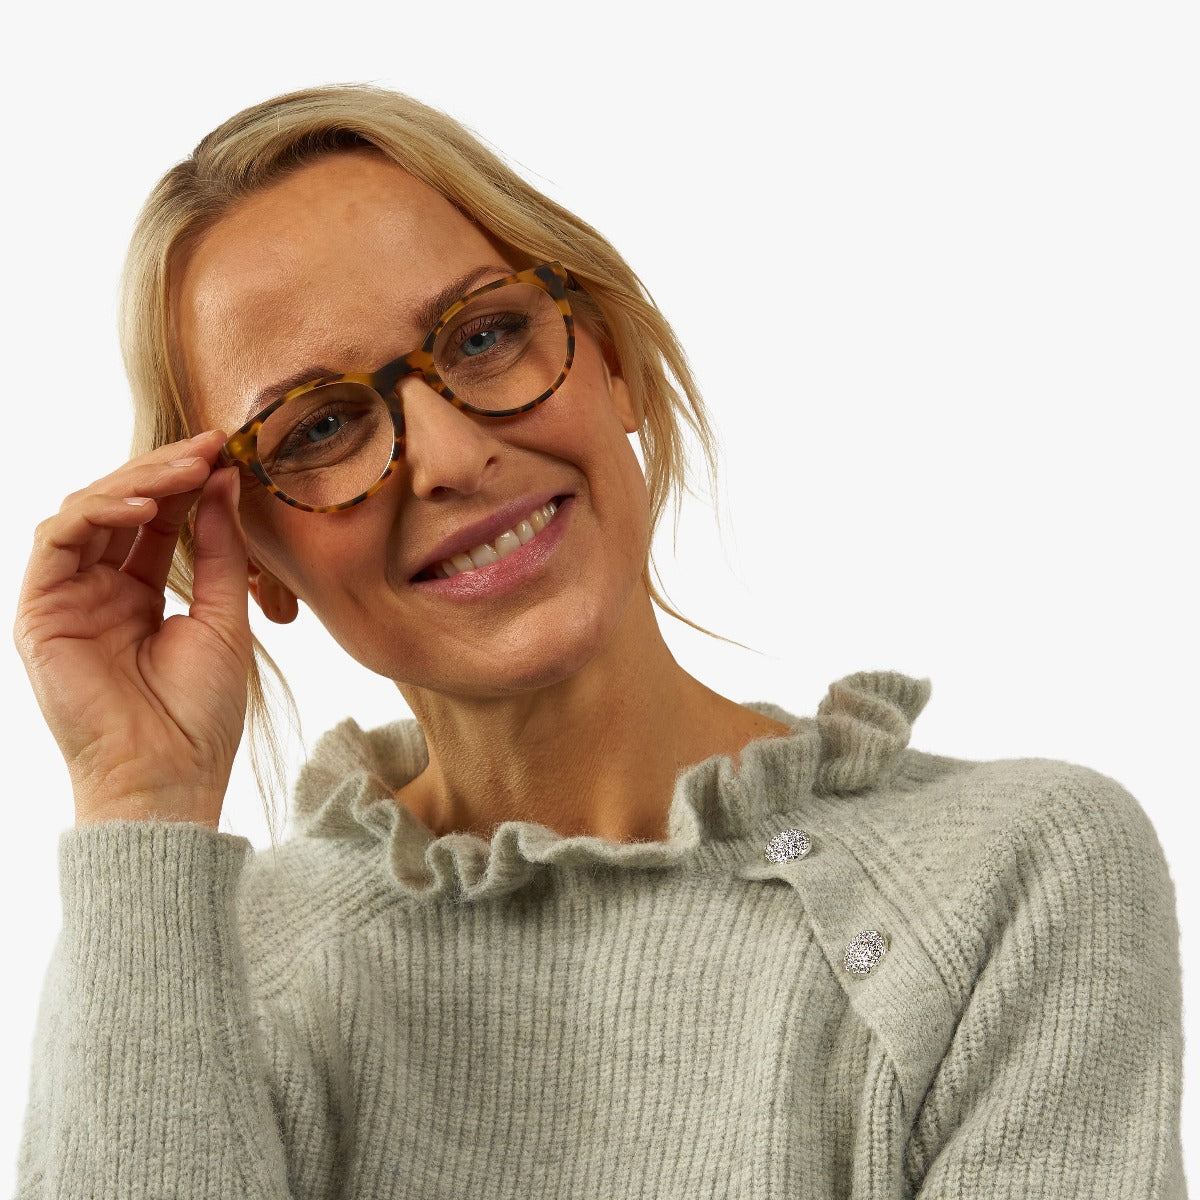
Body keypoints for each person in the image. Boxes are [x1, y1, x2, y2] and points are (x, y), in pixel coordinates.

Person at [12, 85, 1185, 1198]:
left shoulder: (1012, 876)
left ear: (612, 358)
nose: (452, 457)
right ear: (252, 556)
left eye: (483, 336)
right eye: (319, 428)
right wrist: (139, 797)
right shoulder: (192, 982)